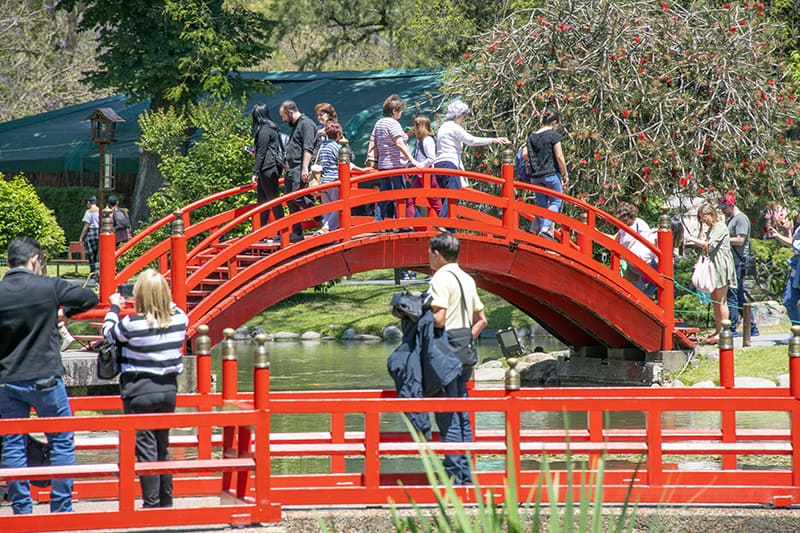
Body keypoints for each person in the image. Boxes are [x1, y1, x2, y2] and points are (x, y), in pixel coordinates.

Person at [0, 236, 98, 515]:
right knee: (61, 441)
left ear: (9, 262)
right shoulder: (47, 287)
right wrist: (64, 312)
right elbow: (89, 297)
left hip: (7, 379)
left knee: (13, 444)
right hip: (45, 377)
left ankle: (21, 509)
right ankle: (61, 508)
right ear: (34, 260)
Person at [102, 268, 188, 508]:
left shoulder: (131, 324)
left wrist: (114, 308)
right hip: (168, 389)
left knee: (145, 446)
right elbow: (172, 309)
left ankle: (151, 502)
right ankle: (166, 499)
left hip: (139, 388)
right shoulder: (180, 318)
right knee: (163, 445)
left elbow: (109, 334)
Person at [427, 232, 488, 485]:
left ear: (437, 254)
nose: (429, 258)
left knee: (447, 415)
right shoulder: (466, 277)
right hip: (464, 353)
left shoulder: (440, 278)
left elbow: (439, 319)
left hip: (445, 355)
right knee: (462, 415)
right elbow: (482, 320)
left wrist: (416, 319)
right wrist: (467, 338)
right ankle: (465, 475)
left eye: (430, 254)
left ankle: (453, 476)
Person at [434, 100, 510, 218]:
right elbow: (471, 141)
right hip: (449, 163)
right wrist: (493, 140)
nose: (464, 119)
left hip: (438, 164)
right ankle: (443, 221)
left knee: (446, 195)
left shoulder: (442, 127)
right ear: (458, 115)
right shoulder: (454, 127)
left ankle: (449, 229)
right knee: (454, 192)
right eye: (463, 116)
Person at [685, 202, 737, 343]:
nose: (704, 221)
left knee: (721, 300)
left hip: (720, 265)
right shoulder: (712, 228)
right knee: (715, 301)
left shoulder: (720, 227)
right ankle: (718, 330)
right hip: (712, 265)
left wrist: (692, 239)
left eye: (704, 218)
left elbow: (710, 245)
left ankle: (724, 332)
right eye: (701, 219)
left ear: (711, 214)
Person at [366, 94, 424, 221]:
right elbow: (399, 143)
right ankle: (402, 222)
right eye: (400, 110)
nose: (402, 112)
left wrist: (371, 156)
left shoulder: (379, 123)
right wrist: (412, 160)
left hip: (383, 165)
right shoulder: (393, 123)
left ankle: (379, 221)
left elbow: (373, 140)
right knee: (401, 195)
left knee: (385, 195)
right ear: (394, 111)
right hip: (395, 165)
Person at [523, 108, 569, 239]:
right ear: (554, 122)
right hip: (551, 174)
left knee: (541, 205)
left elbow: (525, 154)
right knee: (556, 202)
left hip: (536, 177)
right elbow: (559, 156)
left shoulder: (532, 137)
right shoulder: (553, 136)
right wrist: (565, 174)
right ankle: (545, 229)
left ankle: (540, 232)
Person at [314, 121, 368, 234]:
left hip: (324, 181)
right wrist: (361, 170)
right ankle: (327, 228)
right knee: (339, 206)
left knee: (328, 208)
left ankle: (326, 228)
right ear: (339, 134)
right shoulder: (338, 148)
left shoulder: (322, 147)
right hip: (335, 180)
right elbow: (347, 164)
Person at [718, 192, 759, 337]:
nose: (723, 211)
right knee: (739, 296)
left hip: (738, 262)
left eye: (724, 208)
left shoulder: (741, 219)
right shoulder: (731, 220)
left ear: (731, 205)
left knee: (733, 294)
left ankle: (732, 327)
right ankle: (752, 327)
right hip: (732, 262)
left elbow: (740, 240)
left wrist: (722, 239)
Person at [279, 100, 318, 242]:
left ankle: (321, 217)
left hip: (299, 167)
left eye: (284, 116)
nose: (283, 120)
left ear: (291, 112)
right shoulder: (295, 125)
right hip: (290, 168)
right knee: (290, 200)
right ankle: (297, 232)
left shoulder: (306, 124)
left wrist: (305, 168)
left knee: (298, 197)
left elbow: (308, 147)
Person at [610, 202, 658, 296]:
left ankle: (646, 297)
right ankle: (642, 299)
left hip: (642, 259)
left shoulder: (639, 224)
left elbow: (645, 240)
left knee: (659, 276)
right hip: (630, 261)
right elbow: (614, 239)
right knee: (635, 291)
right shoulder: (623, 228)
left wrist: (627, 250)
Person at [250, 103, 285, 230]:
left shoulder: (264, 130)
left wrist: (255, 172)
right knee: (263, 200)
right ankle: (261, 231)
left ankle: (283, 230)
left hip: (267, 168)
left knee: (272, 200)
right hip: (272, 167)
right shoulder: (273, 128)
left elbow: (261, 153)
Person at [767, 214, 800, 344]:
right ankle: (797, 332)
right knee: (789, 300)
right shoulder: (798, 229)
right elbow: (793, 244)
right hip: (796, 267)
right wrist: (778, 236)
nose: (797, 215)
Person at [407, 115, 442, 218]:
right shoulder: (420, 140)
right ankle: (408, 223)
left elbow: (432, 158)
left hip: (427, 174)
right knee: (410, 198)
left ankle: (447, 224)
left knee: (433, 201)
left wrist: (419, 166)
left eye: (416, 126)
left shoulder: (427, 140)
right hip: (420, 174)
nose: (414, 128)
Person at [78, 194, 100, 273]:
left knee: (91, 254)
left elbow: (86, 225)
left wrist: (81, 237)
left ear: (88, 202)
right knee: (99, 254)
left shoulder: (89, 211)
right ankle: (99, 271)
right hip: (99, 233)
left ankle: (93, 271)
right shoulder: (100, 210)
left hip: (91, 233)